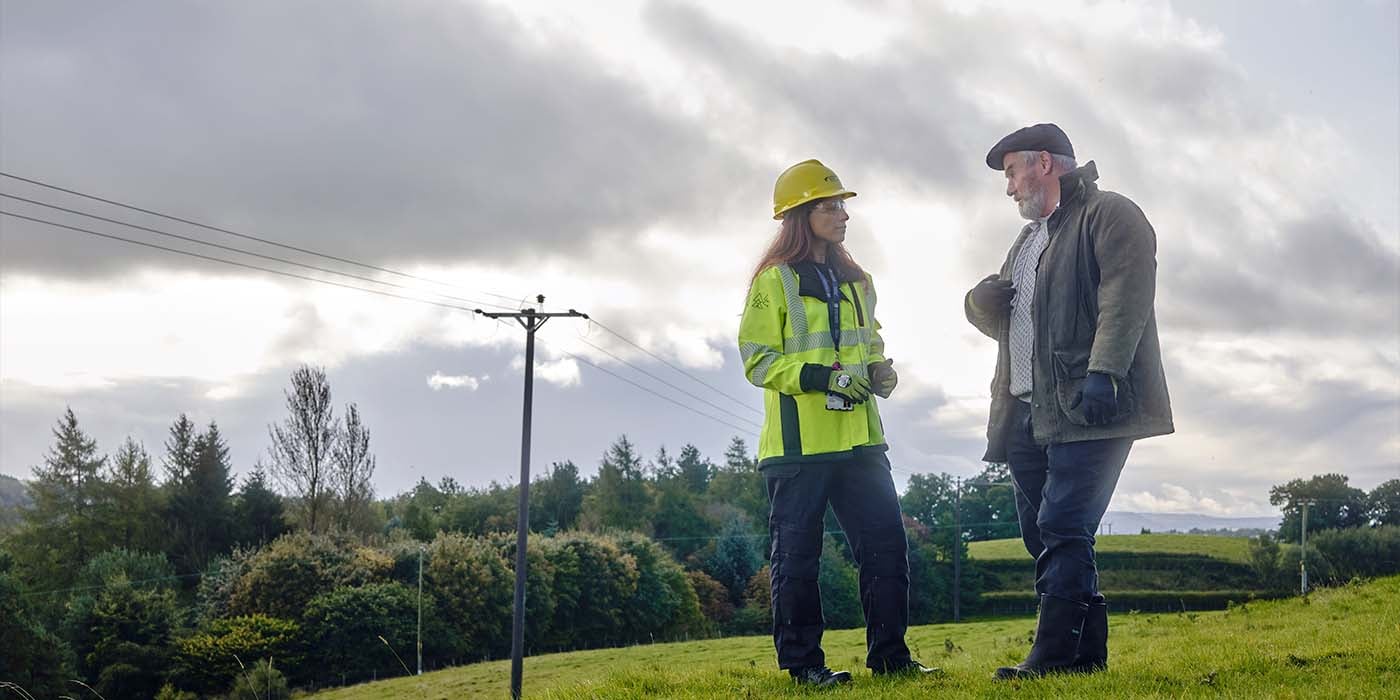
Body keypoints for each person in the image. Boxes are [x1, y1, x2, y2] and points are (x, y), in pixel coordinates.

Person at [965, 124, 1174, 679]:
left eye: (1011, 171)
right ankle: (1086, 655)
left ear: (1045, 165)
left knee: (1061, 524)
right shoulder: (1030, 240)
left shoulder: (1111, 215)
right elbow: (1019, 328)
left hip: (1092, 404)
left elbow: (1126, 296)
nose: (1008, 187)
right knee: (1044, 532)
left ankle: (1051, 657)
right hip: (1030, 412)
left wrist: (1104, 372)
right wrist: (978, 305)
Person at [738, 159, 934, 686]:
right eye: (830, 206)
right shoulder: (772, 281)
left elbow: (870, 341)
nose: (843, 214)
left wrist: (879, 369)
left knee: (888, 551)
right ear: (801, 215)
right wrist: (822, 378)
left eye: (843, 204)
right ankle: (805, 668)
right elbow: (757, 359)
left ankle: (891, 658)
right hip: (798, 450)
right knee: (798, 562)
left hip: (863, 442)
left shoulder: (858, 281)